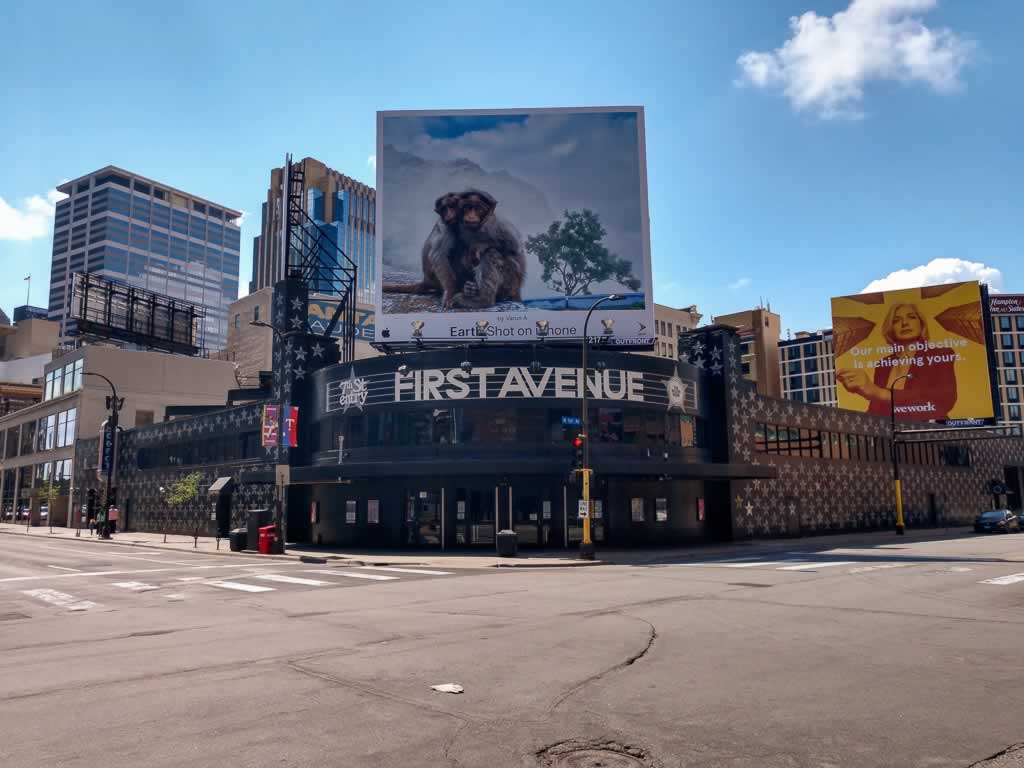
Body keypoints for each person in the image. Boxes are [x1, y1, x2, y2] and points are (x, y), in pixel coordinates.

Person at [836, 302, 957, 419]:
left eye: (911, 317)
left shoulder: (941, 354)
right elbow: (876, 410)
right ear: (890, 328)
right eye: (896, 320)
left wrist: (878, 393)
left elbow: (945, 400)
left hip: (930, 430)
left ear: (922, 324)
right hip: (891, 435)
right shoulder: (883, 365)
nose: (904, 323)